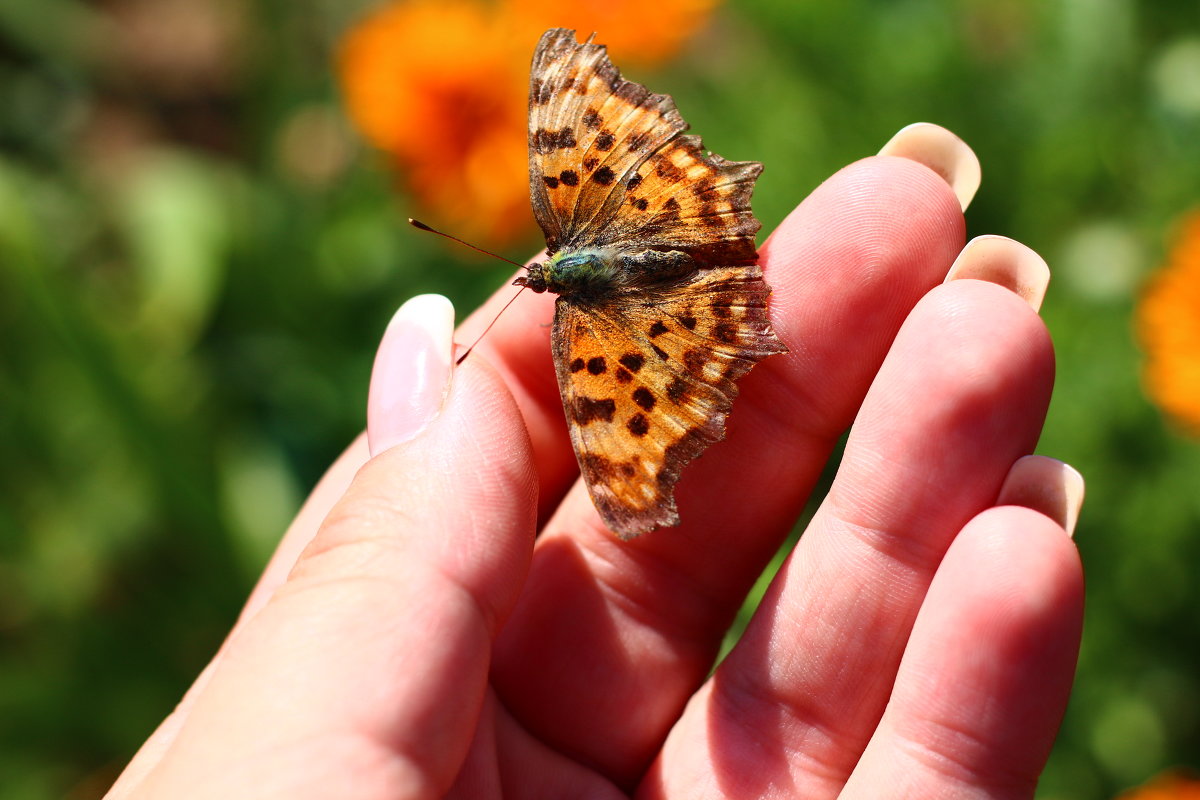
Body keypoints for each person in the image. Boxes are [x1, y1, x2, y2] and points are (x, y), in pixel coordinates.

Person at [105, 123, 1085, 799]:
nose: (527, 280)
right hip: (662, 233)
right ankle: (716, 292)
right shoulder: (572, 265)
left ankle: (719, 311)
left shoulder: (578, 332)